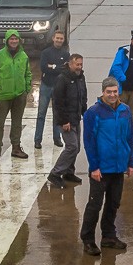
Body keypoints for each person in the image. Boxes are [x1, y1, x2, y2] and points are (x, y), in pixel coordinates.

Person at [81, 77, 133, 255]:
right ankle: (88, 240)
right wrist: (94, 167)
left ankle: (108, 236)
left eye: (115, 91)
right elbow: (89, 142)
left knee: (113, 204)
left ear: (118, 91)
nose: (112, 95)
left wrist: (130, 162)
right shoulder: (93, 113)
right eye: (109, 92)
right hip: (101, 169)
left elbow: (130, 138)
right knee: (95, 205)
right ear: (103, 92)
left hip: (118, 167)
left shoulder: (125, 111)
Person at [0, 29, 32, 161]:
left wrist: (26, 89)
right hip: (3, 97)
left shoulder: (23, 56)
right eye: (11, 39)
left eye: (16, 39)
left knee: (17, 123)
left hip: (19, 95)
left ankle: (16, 147)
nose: (14, 41)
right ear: (6, 41)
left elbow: (28, 73)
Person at [48, 53, 88, 189]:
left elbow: (83, 98)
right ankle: (55, 173)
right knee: (72, 146)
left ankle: (69, 173)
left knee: (76, 147)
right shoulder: (62, 79)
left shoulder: (81, 78)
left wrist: (85, 113)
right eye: (77, 64)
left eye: (81, 64)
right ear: (70, 64)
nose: (79, 67)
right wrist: (64, 121)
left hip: (76, 118)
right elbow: (58, 102)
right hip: (66, 120)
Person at [35, 31, 69, 149]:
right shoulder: (46, 52)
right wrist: (56, 67)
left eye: (61, 39)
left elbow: (65, 70)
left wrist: (53, 66)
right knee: (41, 114)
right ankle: (37, 139)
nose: (59, 40)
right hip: (46, 86)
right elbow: (43, 67)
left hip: (58, 88)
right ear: (53, 38)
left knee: (57, 114)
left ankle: (57, 138)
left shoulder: (66, 54)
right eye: (57, 38)